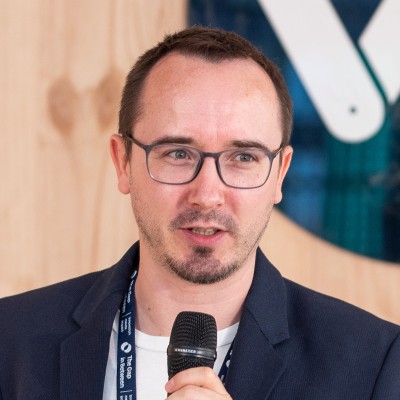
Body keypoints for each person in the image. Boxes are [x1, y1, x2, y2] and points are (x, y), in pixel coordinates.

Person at [0, 27, 399, 400]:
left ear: (280, 173)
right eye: (178, 153)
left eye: (244, 157)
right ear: (123, 162)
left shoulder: (373, 364)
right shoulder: (10, 339)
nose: (207, 195)